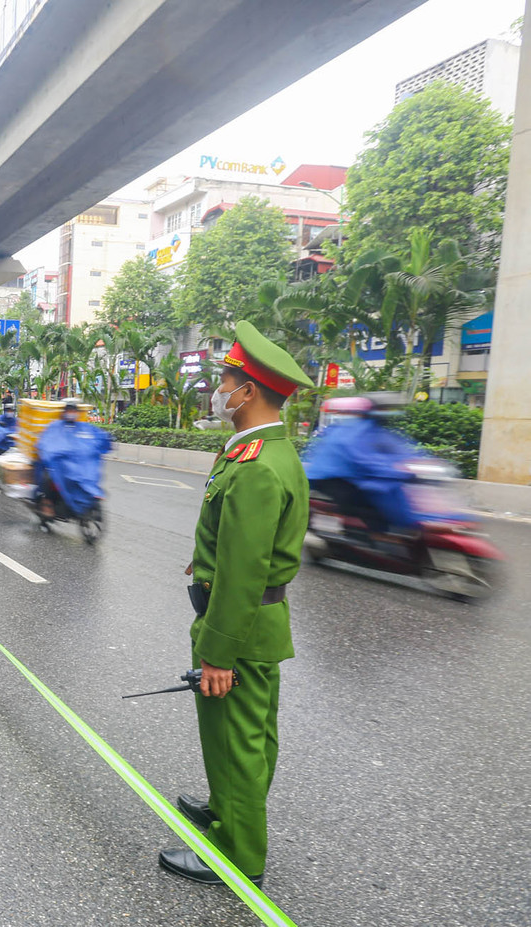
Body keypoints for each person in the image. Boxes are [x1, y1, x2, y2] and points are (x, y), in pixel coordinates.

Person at [160, 320, 312, 889]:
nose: (219, 390)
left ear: (247, 392)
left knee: (238, 739)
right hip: (250, 623)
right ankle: (228, 807)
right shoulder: (262, 452)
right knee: (243, 734)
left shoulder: (256, 467)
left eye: (225, 381)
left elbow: (248, 572)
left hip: (238, 629)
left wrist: (218, 653)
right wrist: (205, 560)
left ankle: (238, 855)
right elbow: (242, 544)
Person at [303, 393, 422, 535]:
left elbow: (397, 448)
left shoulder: (373, 429)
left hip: (346, 474)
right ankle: (374, 540)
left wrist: (416, 461)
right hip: (330, 478)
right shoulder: (355, 430)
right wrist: (397, 471)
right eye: (385, 409)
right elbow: (361, 458)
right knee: (374, 504)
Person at [33, 400, 112, 519]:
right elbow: (46, 443)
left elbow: (97, 438)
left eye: (73, 411)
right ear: (65, 412)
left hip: (79, 465)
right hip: (60, 465)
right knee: (48, 477)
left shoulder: (84, 427)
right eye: (69, 410)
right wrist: (50, 453)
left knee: (92, 474)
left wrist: (107, 439)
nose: (71, 413)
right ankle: (47, 503)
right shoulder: (56, 426)